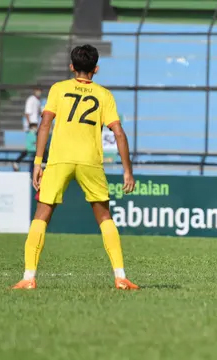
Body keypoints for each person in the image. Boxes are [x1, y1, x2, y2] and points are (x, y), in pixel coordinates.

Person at [12, 44, 138, 290]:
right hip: (90, 160)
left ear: (72, 67)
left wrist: (38, 162)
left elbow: (45, 123)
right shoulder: (104, 95)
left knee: (42, 215)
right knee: (104, 216)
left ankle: (28, 278)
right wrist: (127, 170)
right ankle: (120, 276)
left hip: (60, 159)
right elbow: (119, 133)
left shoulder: (59, 89)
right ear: (96, 69)